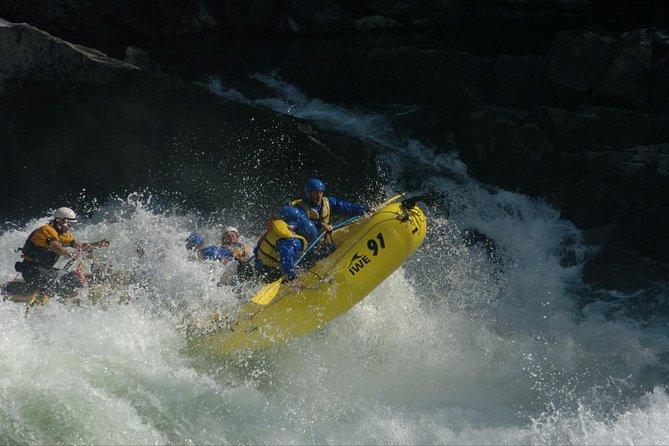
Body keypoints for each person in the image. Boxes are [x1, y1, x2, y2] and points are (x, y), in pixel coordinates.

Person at [15, 207, 110, 297]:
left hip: (46, 270)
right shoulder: (46, 230)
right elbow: (55, 246)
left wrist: (98, 244)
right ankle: (67, 299)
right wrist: (70, 254)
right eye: (69, 224)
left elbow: (81, 246)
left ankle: (73, 297)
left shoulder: (63, 235)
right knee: (65, 287)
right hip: (31, 271)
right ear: (60, 221)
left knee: (74, 278)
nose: (70, 227)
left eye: (72, 225)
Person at [253, 206, 318, 289]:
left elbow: (258, 248)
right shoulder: (294, 241)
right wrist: (293, 279)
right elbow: (286, 257)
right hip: (267, 269)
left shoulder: (280, 227)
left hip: (258, 260)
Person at [291, 178, 371, 233]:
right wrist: (321, 225)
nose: (319, 197)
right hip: (308, 238)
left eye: (321, 193)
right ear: (309, 193)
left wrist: (366, 210)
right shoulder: (299, 207)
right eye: (316, 193)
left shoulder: (328, 202)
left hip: (325, 235)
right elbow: (301, 222)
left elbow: (348, 207)